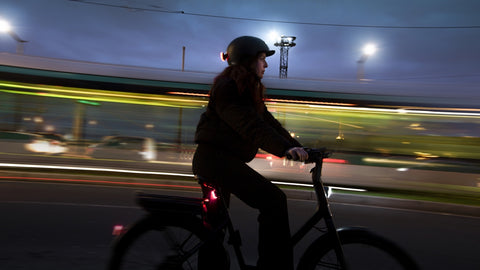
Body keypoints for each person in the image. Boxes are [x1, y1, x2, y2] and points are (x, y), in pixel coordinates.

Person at [192, 36, 308, 270]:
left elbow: (268, 123)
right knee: (274, 201)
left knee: (215, 229)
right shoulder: (228, 89)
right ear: (247, 61)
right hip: (215, 162)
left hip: (221, 161)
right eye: (262, 59)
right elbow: (250, 126)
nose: (265, 65)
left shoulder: (246, 90)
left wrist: (298, 147)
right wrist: (285, 149)